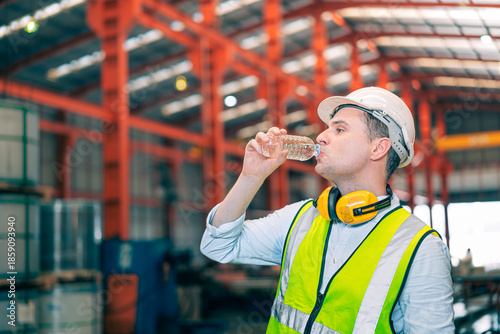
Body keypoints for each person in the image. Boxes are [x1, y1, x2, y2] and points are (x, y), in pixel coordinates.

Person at [200, 87, 454, 333]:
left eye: (340, 129)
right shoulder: (300, 218)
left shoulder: (419, 247)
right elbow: (218, 245)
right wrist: (250, 177)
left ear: (378, 148)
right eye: (327, 127)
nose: (321, 136)